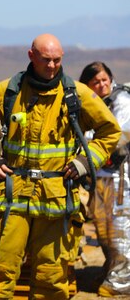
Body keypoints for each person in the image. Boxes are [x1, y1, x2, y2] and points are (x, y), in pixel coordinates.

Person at [0, 34, 121, 299]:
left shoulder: (77, 95)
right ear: (31, 56)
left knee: (51, 277)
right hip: (12, 197)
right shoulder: (8, 91)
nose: (52, 66)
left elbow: (110, 131)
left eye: (57, 60)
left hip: (57, 201)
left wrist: (85, 162)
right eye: (46, 60)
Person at [79, 61, 130, 297]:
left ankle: (121, 283)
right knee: (103, 229)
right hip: (99, 176)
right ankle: (111, 271)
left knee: (120, 228)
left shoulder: (122, 100)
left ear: (111, 79)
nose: (101, 85)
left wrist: (88, 144)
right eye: (95, 82)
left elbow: (119, 135)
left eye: (104, 80)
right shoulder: (90, 104)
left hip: (120, 177)